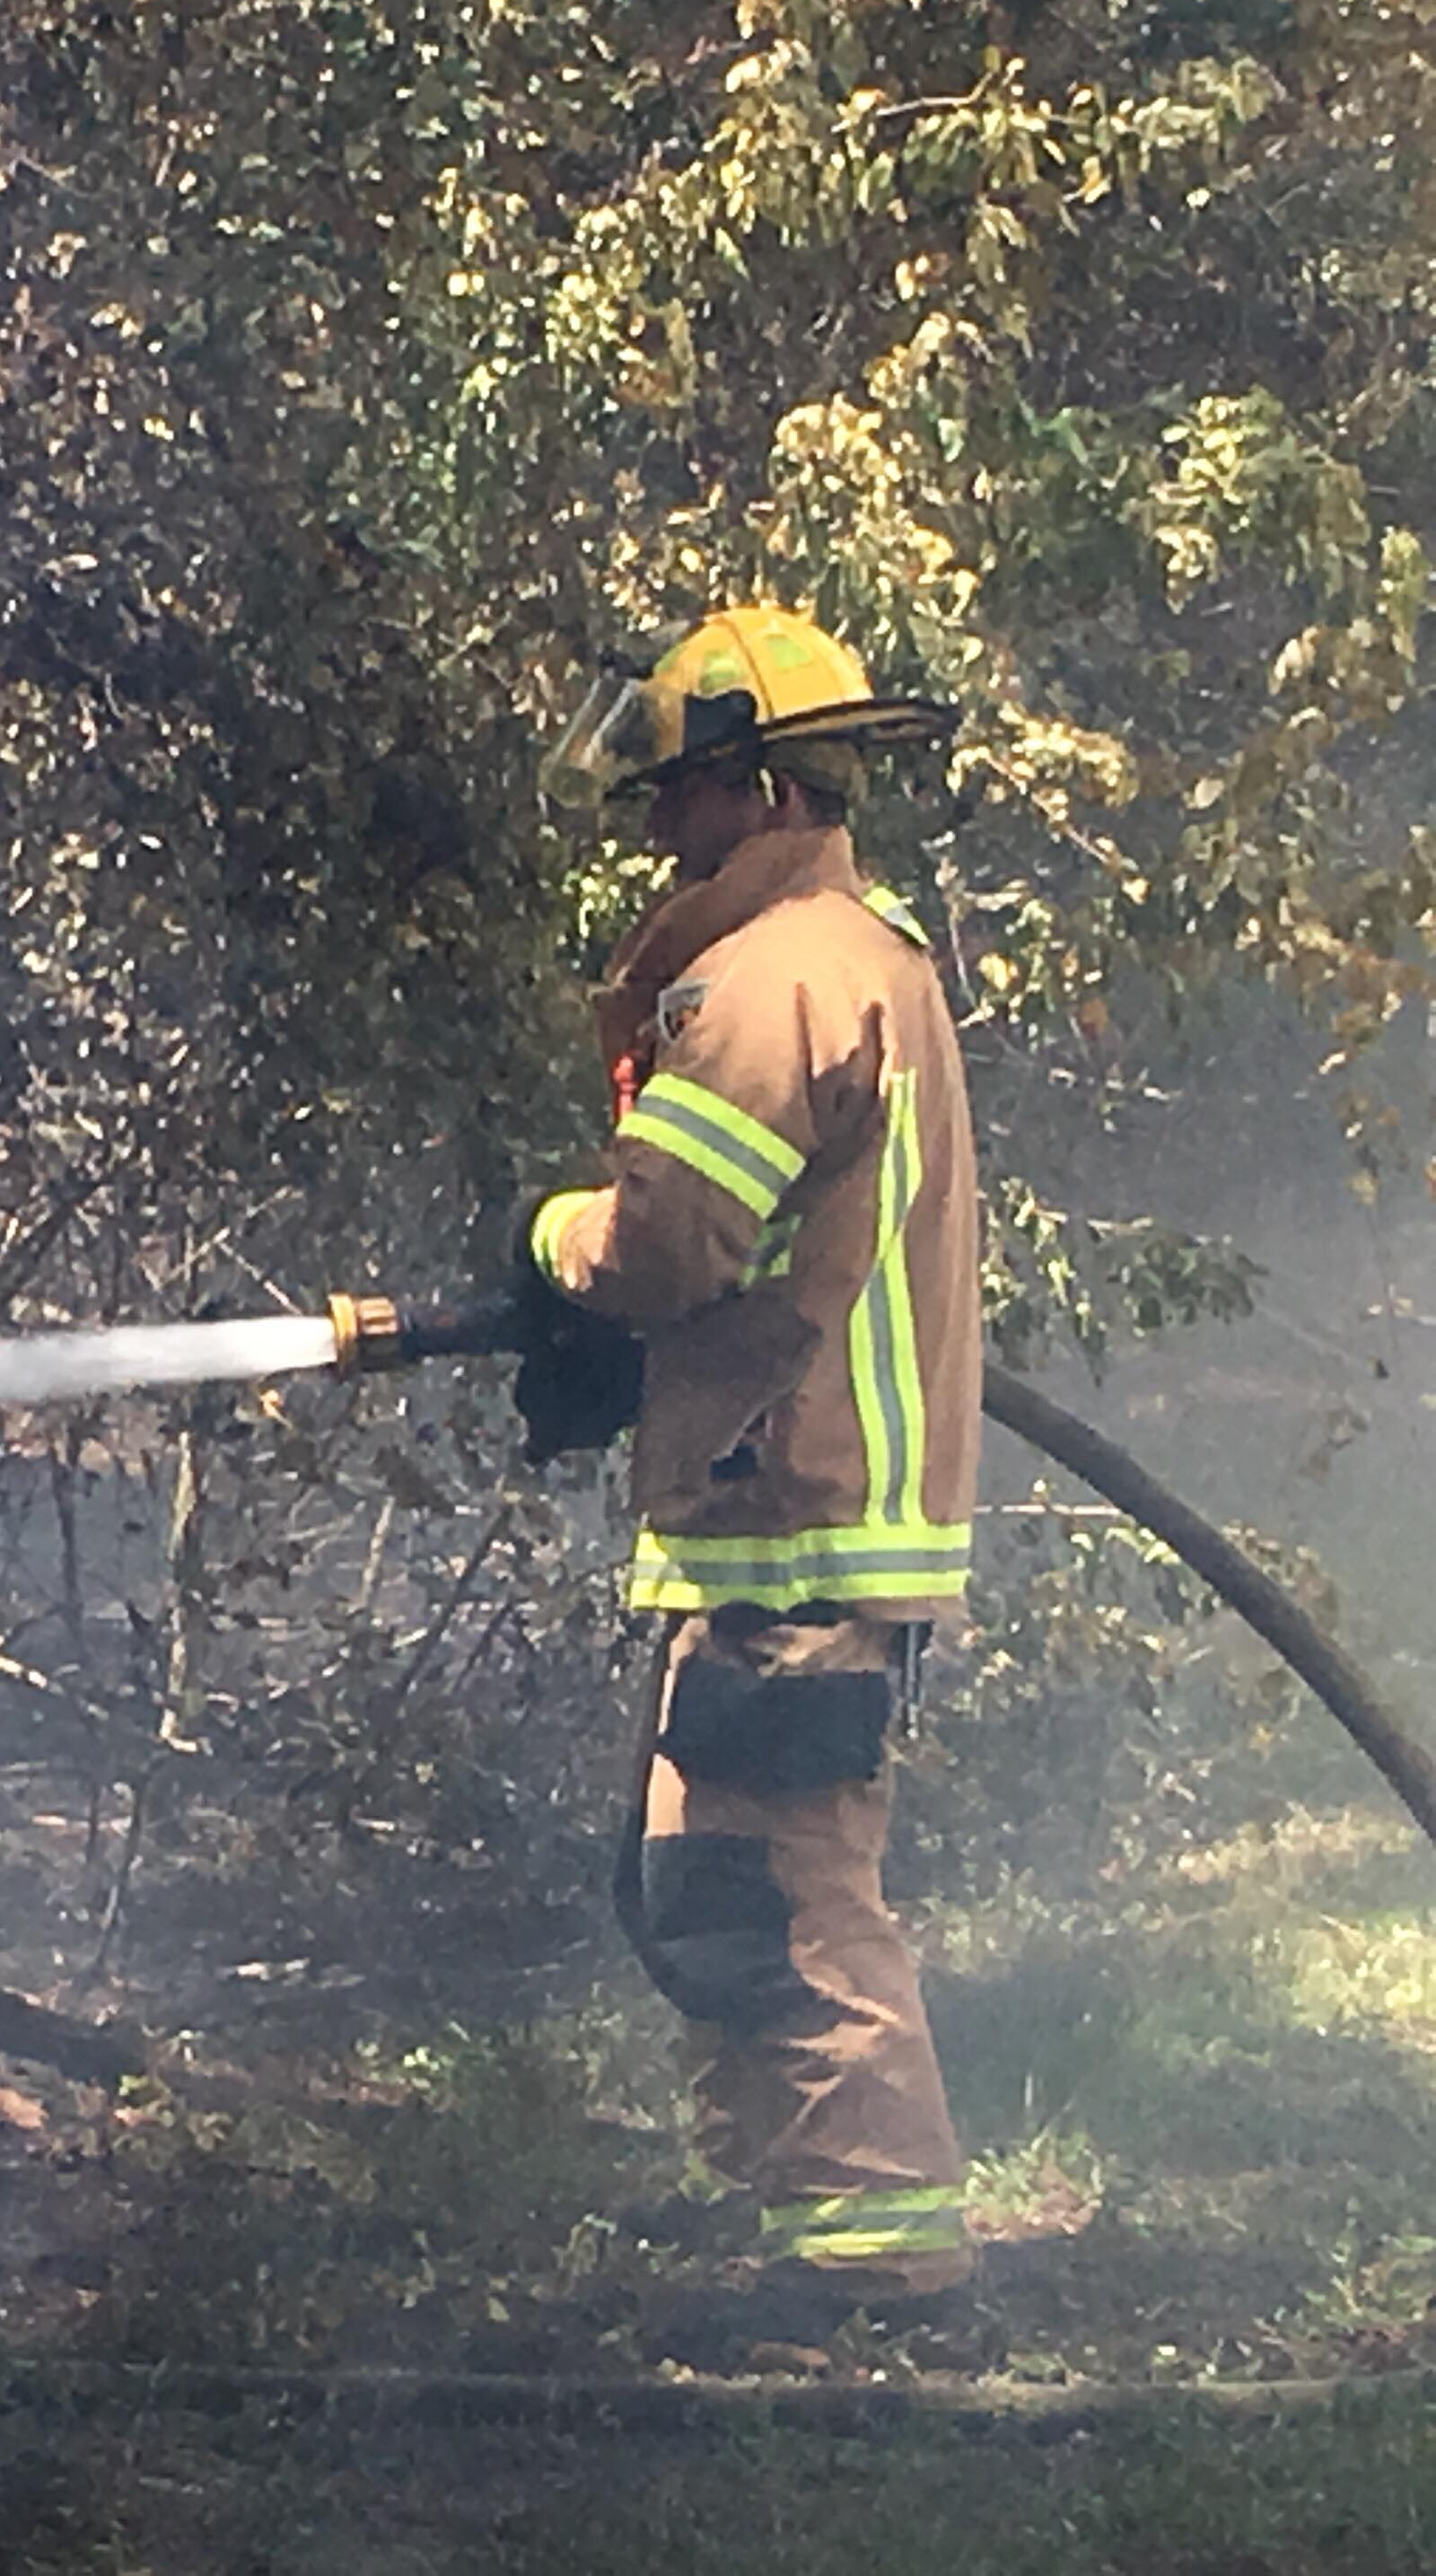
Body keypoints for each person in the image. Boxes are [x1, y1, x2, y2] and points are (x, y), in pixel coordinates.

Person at [514, 606, 981, 2341]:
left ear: (759, 786)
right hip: (795, 1503)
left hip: (800, 1509)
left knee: (786, 1891)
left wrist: (550, 1241)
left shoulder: (779, 978)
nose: (659, 834)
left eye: (682, 798)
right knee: (712, 1880)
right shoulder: (867, 956)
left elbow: (664, 1241)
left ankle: (881, 2277)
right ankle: (801, 2227)